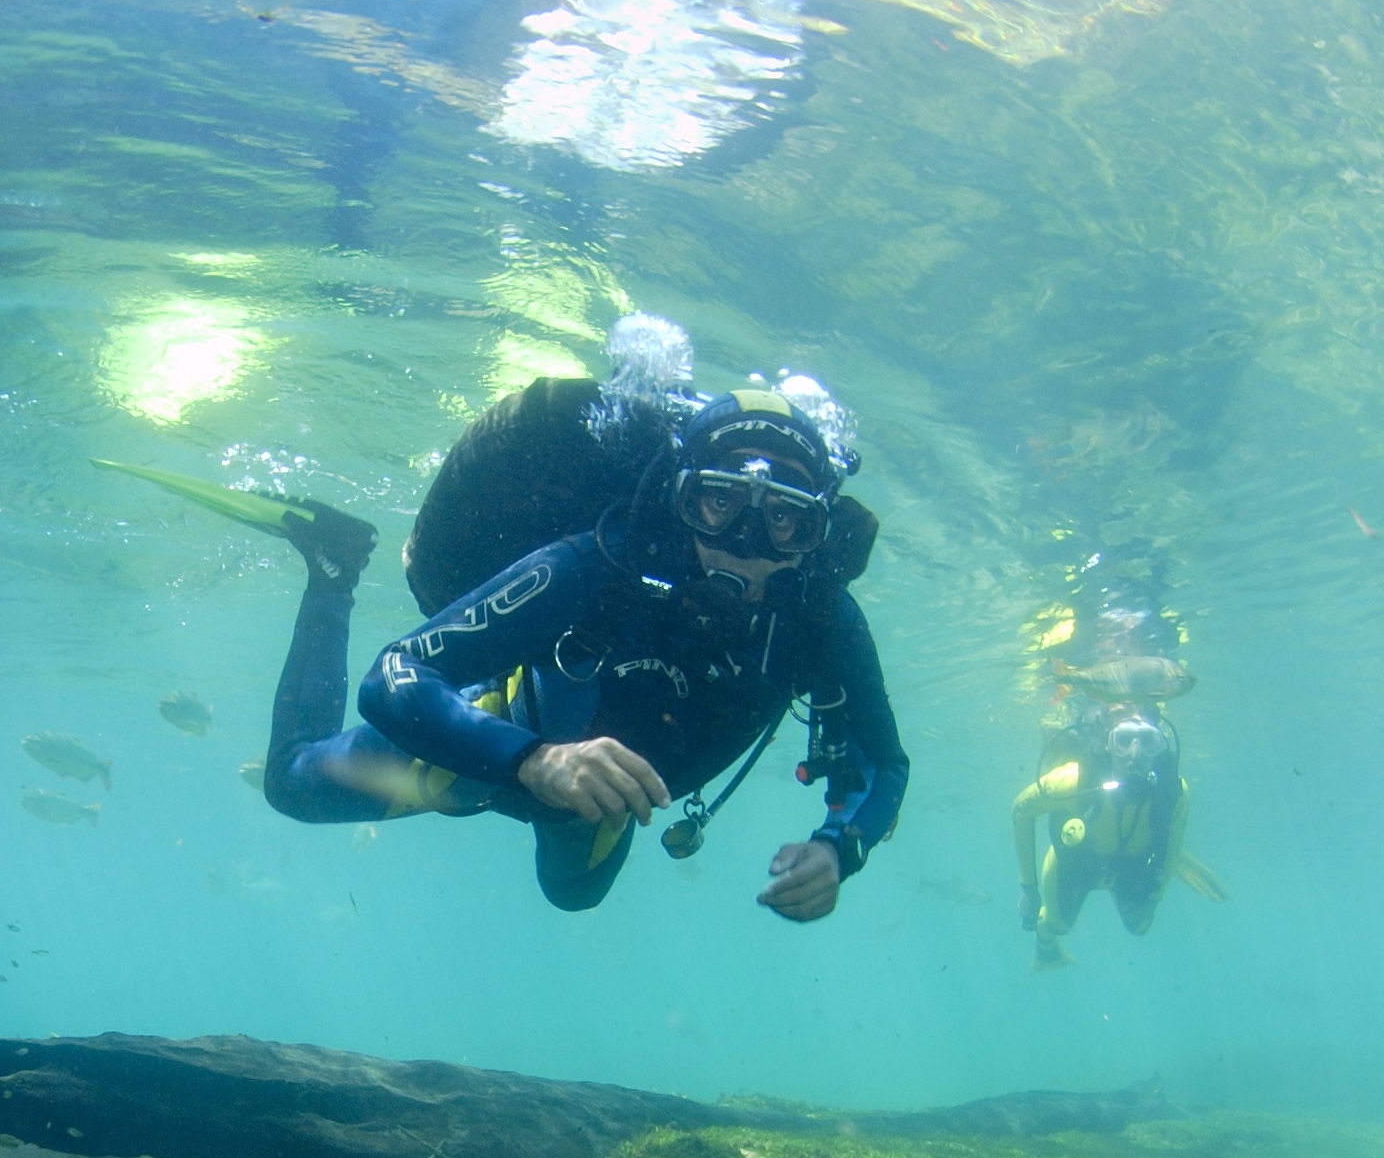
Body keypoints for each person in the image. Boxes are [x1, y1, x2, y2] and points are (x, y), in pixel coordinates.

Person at [256, 382, 908, 918]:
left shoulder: (822, 619)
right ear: (681, 499)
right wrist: (534, 760)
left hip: (599, 799)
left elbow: (883, 759)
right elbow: (392, 675)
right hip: (513, 743)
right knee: (289, 782)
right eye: (718, 503)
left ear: (817, 533)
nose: (746, 541)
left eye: (785, 518)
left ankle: (518, 777)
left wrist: (837, 850)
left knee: (574, 894)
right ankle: (335, 566)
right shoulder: (597, 566)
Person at [1012, 703, 1208, 969]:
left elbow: (1173, 840)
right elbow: (1021, 810)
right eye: (1123, 741)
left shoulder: (1174, 792)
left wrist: (1156, 897)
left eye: (1148, 741)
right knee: (1057, 924)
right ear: (1107, 744)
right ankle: (1046, 949)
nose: (1135, 755)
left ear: (1159, 746)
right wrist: (1028, 888)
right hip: (1077, 863)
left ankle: (1170, 859)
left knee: (1141, 926)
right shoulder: (1073, 780)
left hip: (1131, 865)